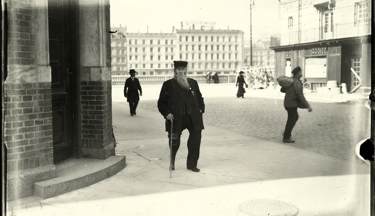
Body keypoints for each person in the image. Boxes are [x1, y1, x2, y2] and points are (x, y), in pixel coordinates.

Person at [157, 61, 205, 172]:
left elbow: (199, 97)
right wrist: (167, 113)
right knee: (174, 141)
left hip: (193, 117)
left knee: (195, 140)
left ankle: (192, 165)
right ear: (175, 71)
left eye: (184, 70)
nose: (182, 72)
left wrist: (201, 108)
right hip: (176, 117)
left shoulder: (193, 83)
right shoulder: (168, 84)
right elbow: (161, 103)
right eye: (179, 70)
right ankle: (172, 160)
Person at [282, 66, 312, 143]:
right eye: (300, 72)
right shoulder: (296, 82)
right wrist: (308, 106)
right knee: (293, 118)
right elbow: (300, 95)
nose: (301, 73)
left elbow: (282, 90)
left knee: (292, 118)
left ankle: (286, 134)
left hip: (288, 103)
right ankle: (286, 136)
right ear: (298, 73)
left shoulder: (291, 81)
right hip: (291, 104)